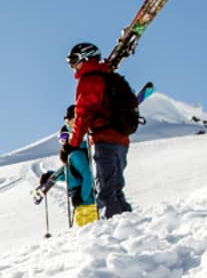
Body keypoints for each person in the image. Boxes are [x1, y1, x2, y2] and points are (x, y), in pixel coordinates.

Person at [63, 42, 133, 217]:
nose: (73, 67)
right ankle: (129, 225)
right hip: (122, 139)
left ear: (85, 58)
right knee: (116, 187)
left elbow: (83, 114)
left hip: (104, 139)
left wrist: (72, 144)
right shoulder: (107, 76)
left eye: (74, 61)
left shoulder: (89, 81)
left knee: (106, 190)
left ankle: (111, 230)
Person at [35, 105, 98, 224]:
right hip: (80, 201)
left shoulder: (75, 155)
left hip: (86, 202)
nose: (63, 142)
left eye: (64, 137)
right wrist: (50, 175)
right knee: (85, 231)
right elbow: (69, 175)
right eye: (61, 139)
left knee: (88, 230)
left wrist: (82, 197)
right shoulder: (72, 156)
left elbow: (87, 175)